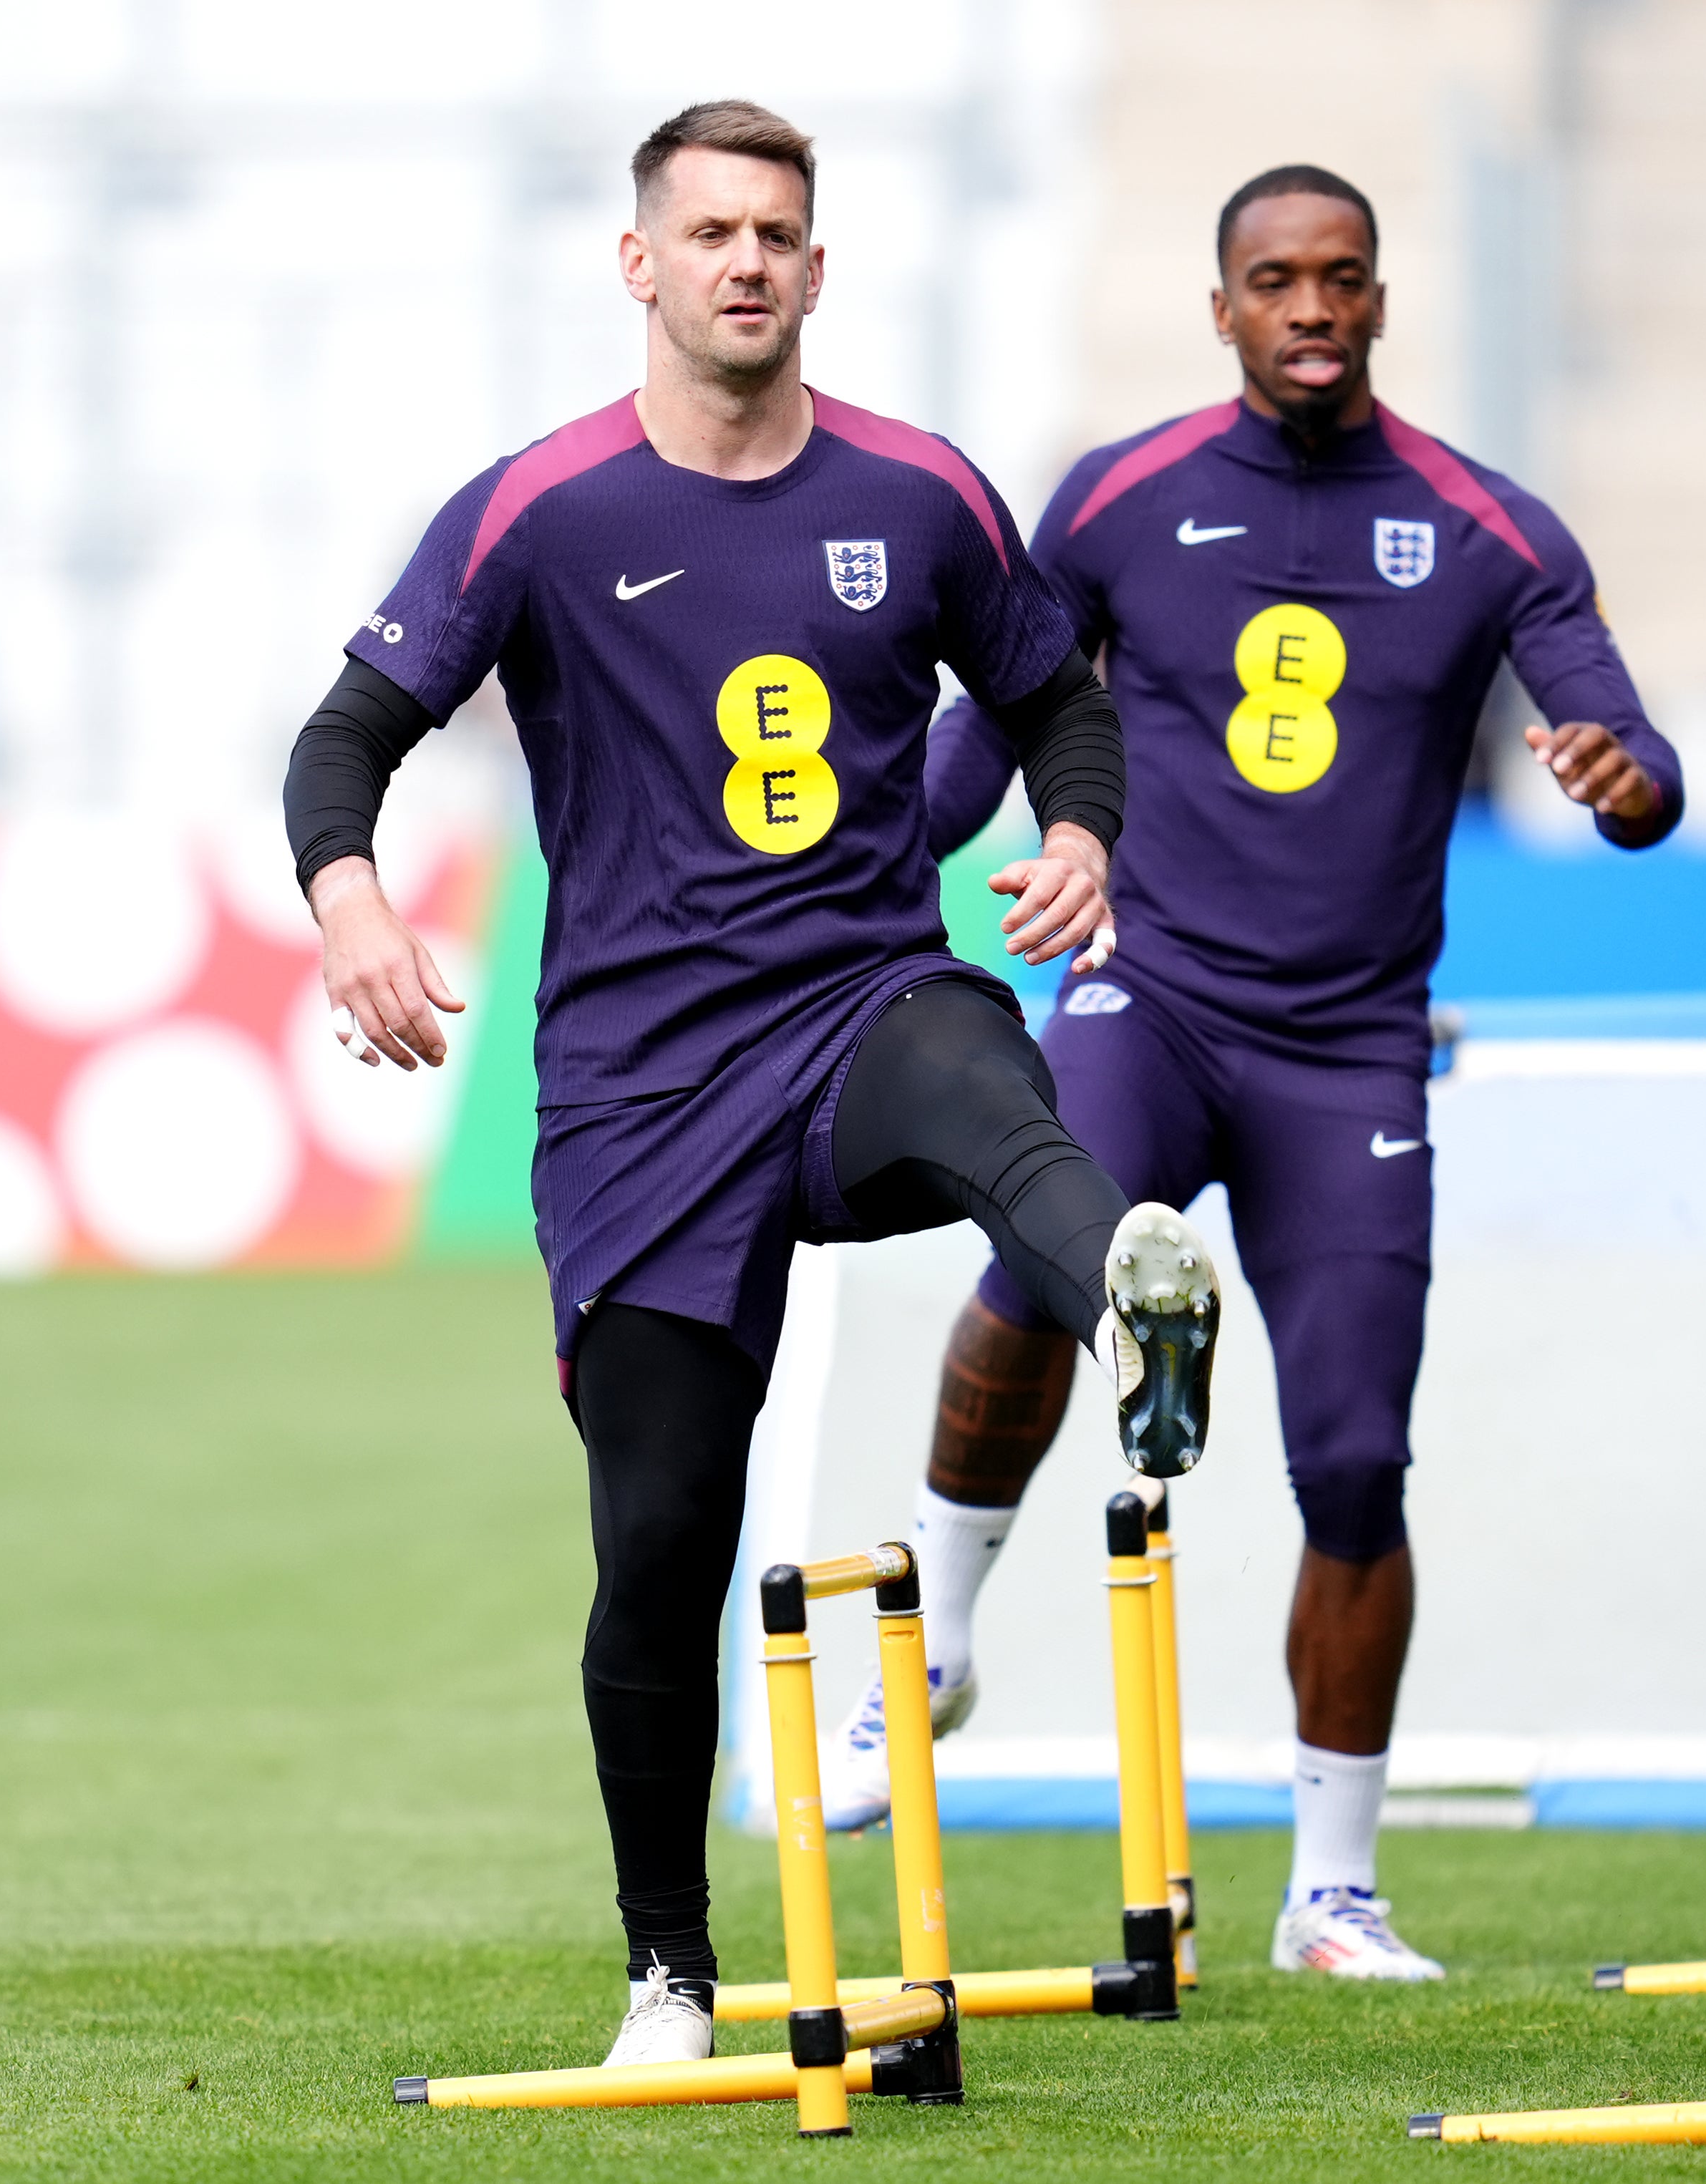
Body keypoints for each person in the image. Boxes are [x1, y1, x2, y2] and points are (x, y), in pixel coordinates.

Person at [282, 100, 1224, 2072]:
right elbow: (349, 734)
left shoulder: (924, 494)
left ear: (815, 266)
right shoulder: (538, 508)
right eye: (708, 230)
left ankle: (1133, 1281)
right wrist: (352, 904)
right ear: (638, 263)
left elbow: (1056, 691)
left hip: (854, 1007)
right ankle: (665, 1973)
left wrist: (1081, 835)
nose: (742, 261)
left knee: (982, 1075)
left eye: (776, 233)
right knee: (659, 1543)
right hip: (633, 1091)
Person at [819, 165, 1685, 1983]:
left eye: (1344, 279)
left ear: (1382, 300)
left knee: (1357, 1458)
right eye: (1275, 280)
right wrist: (861, 870)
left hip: (1354, 1042)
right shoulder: (1124, 500)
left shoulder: (1488, 526)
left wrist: (1631, 782)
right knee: (1032, 1272)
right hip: (1152, 993)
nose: (1312, 306)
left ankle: (1333, 1891)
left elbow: (1638, 753)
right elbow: (998, 726)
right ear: (1221, 307)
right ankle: (942, 1638)